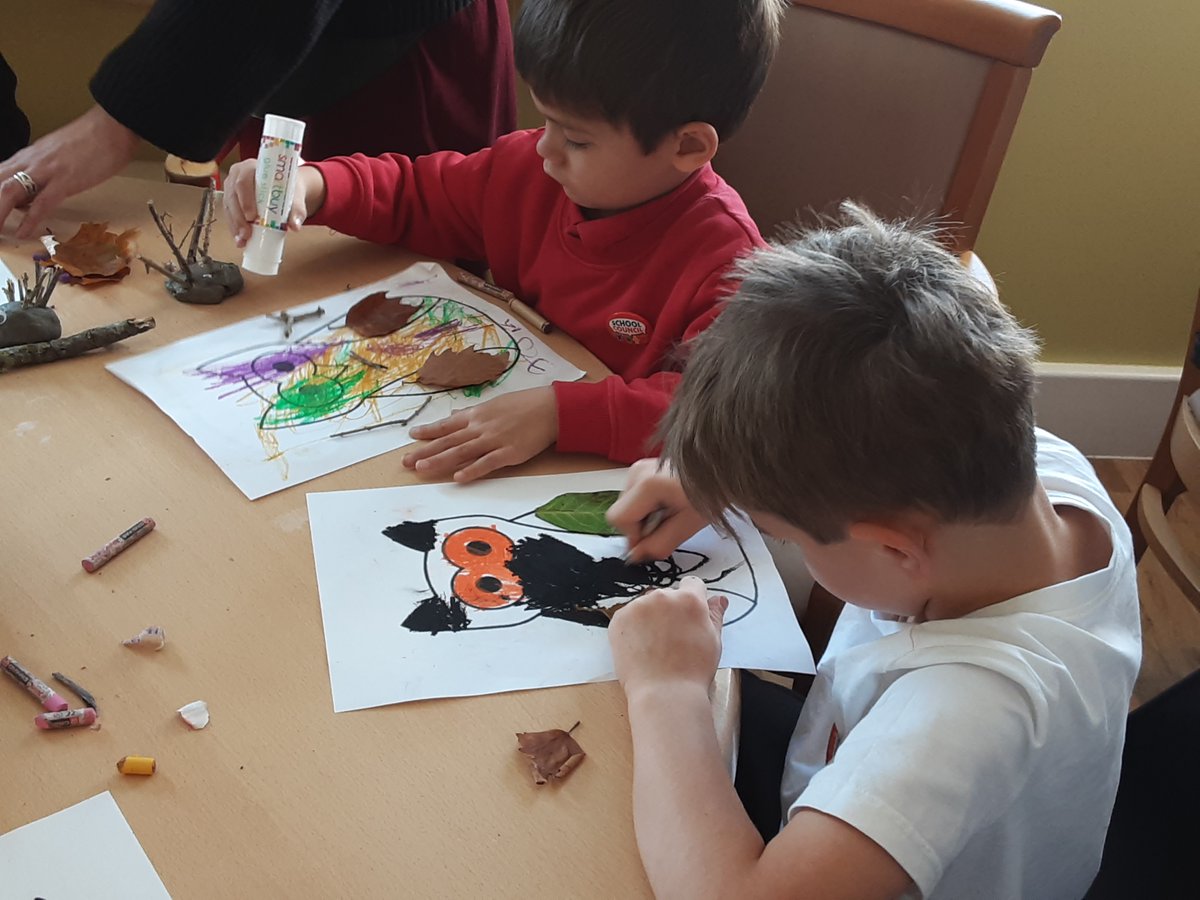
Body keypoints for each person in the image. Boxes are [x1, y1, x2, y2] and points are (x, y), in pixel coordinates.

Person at [604, 204, 1142, 899]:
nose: (780, 539)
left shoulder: (965, 715)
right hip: (847, 781)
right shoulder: (1026, 467)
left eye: (786, 534)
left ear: (894, 548)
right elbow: (968, 292)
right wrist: (732, 478)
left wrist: (666, 691)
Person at [223, 0, 785, 483]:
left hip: (606, 482)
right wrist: (316, 185)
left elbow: (723, 416)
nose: (545, 149)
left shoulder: (728, 261)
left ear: (687, 147)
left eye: (577, 139)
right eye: (545, 121)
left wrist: (561, 415)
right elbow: (419, 194)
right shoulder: (528, 170)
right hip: (480, 441)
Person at [0, 0, 515, 239]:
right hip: (257, 35)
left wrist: (115, 122)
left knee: (396, 298)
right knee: (269, 232)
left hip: (383, 55)